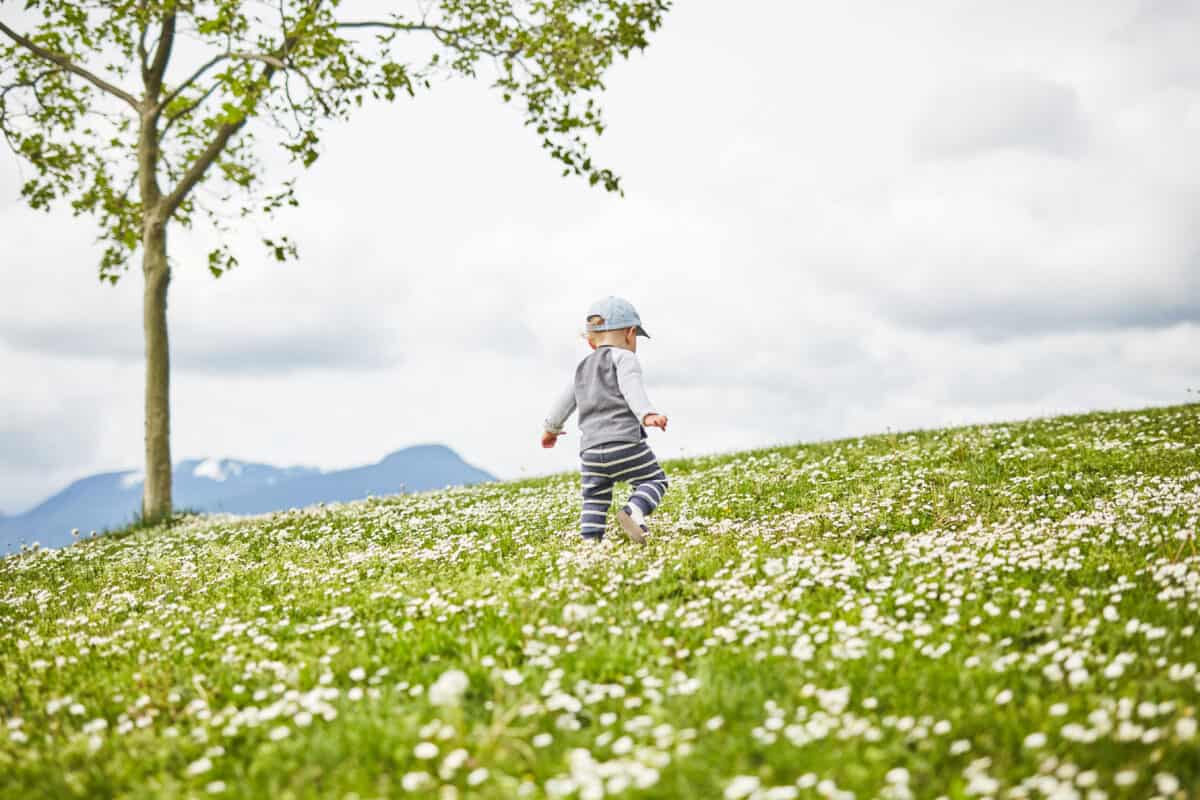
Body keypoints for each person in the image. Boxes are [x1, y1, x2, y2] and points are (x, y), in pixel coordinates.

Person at [542, 296, 669, 543]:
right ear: (631, 334)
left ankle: (590, 543)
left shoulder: (581, 369)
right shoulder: (625, 358)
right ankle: (635, 510)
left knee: (594, 497)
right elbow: (632, 388)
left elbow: (564, 402)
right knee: (654, 479)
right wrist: (648, 414)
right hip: (624, 443)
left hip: (590, 451)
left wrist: (551, 429)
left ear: (591, 341)